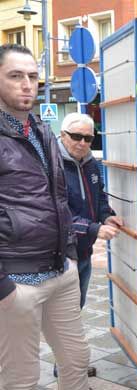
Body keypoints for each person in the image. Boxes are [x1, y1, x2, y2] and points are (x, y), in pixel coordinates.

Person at [0, 44, 90, 388]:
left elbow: (59, 198)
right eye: (15, 75)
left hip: (61, 272)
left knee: (77, 361)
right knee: (22, 379)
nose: (27, 84)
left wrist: (68, 253)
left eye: (33, 76)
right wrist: (4, 288)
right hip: (17, 281)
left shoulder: (42, 130)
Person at [57, 112, 124, 377]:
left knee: (76, 308)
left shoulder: (90, 164)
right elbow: (58, 214)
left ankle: (71, 364)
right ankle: (67, 367)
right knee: (65, 313)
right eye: (76, 137)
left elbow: (98, 197)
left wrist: (107, 214)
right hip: (61, 254)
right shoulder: (52, 166)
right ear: (63, 135)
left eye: (88, 138)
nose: (83, 143)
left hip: (83, 251)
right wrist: (95, 228)